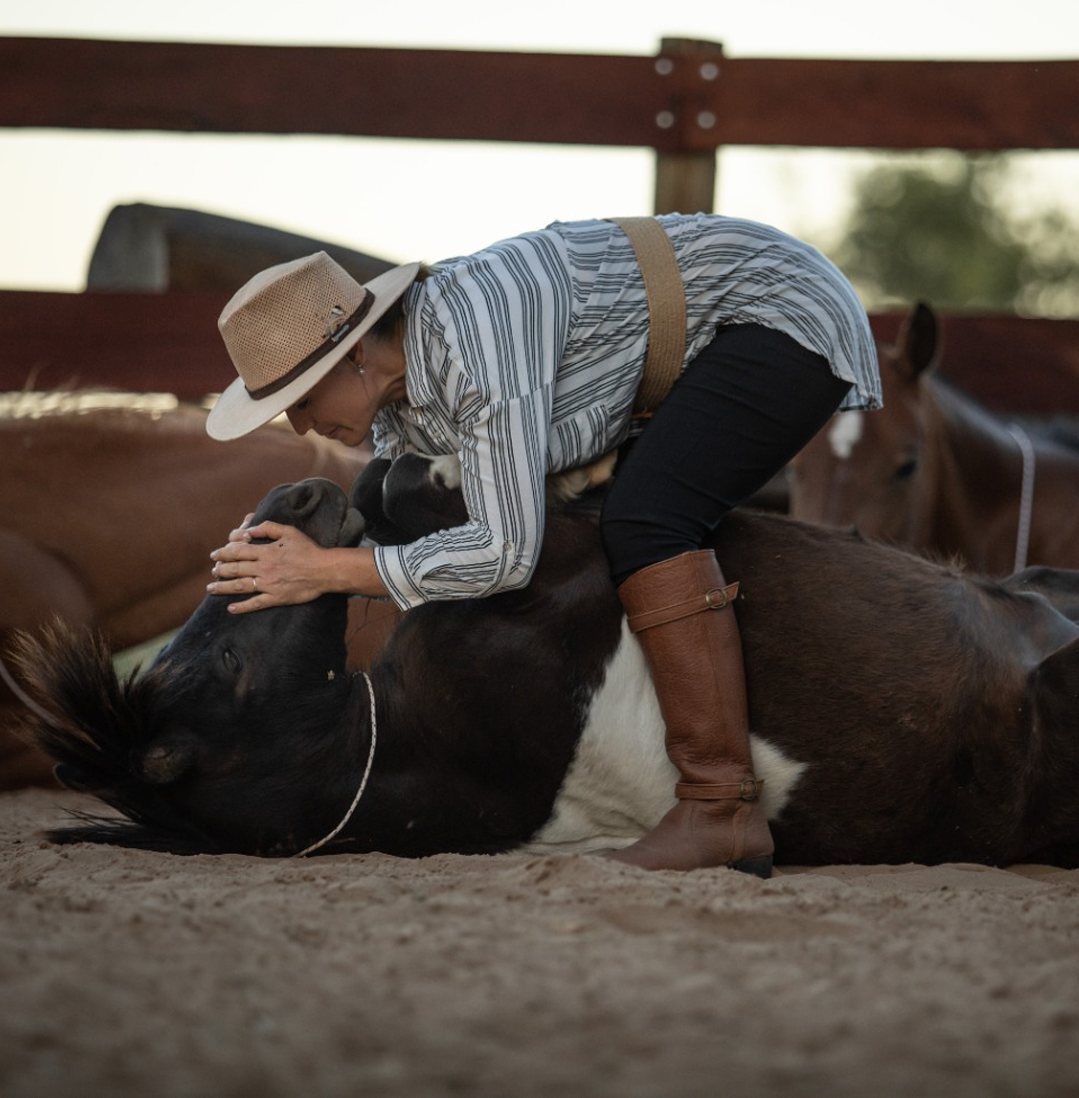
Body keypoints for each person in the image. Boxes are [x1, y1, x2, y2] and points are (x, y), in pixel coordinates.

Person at [204, 214, 881, 875]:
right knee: (395, 489)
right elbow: (394, 503)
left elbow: (504, 552)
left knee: (648, 519)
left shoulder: (472, 342)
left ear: (353, 355)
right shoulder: (402, 389)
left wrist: (324, 571)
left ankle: (720, 807)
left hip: (777, 310)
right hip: (701, 336)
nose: (297, 426)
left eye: (298, 398)